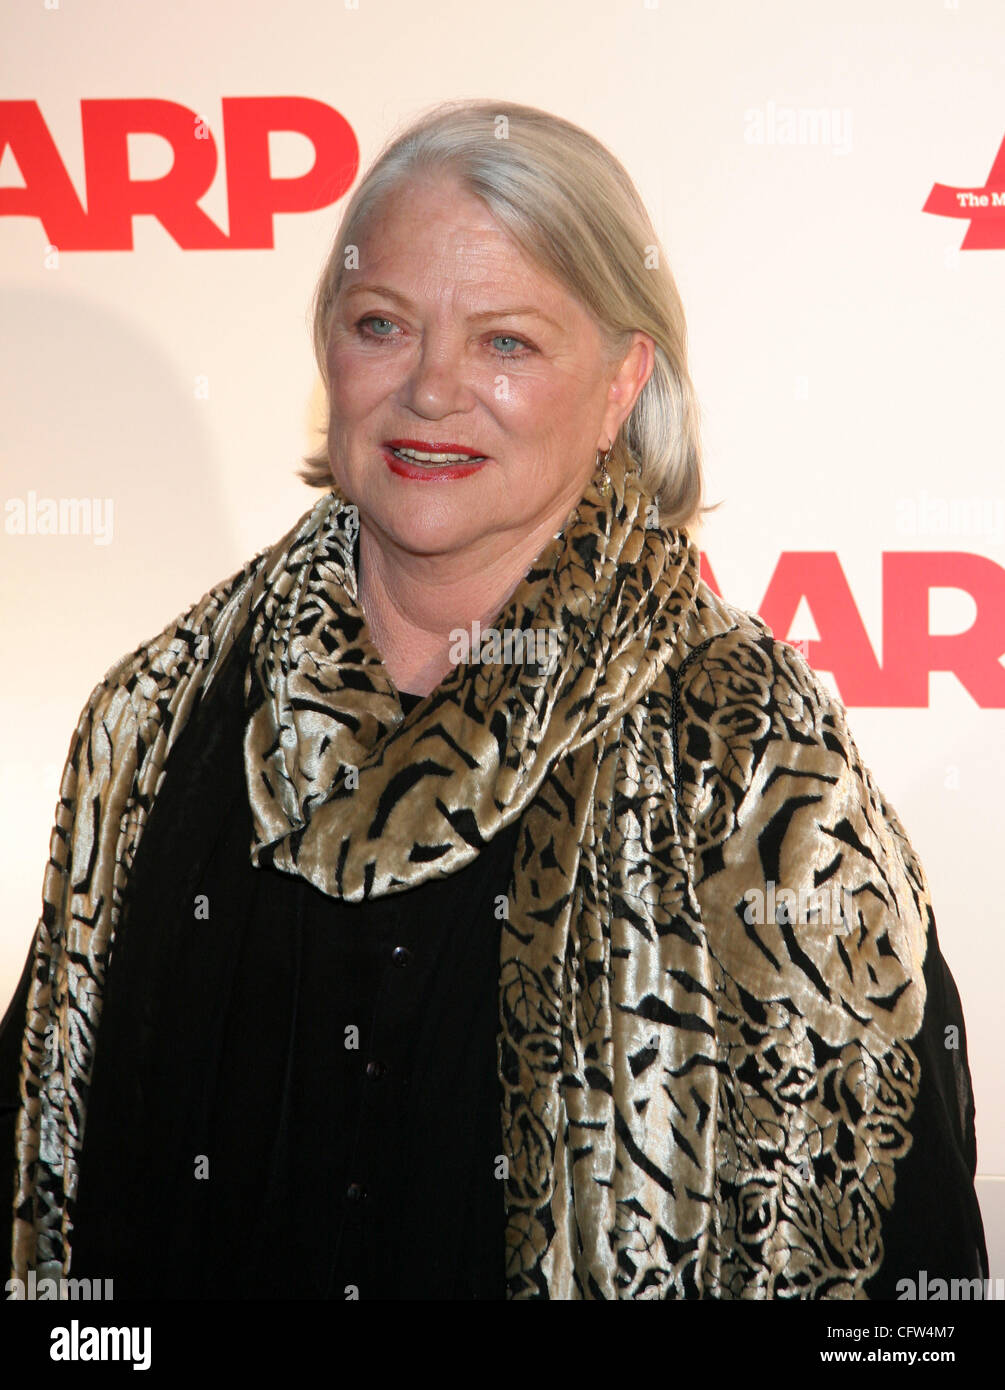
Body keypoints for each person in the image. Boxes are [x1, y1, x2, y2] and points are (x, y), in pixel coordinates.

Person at [1, 99, 987, 1301]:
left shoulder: (752, 763)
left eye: (506, 343)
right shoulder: (152, 727)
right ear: (328, 353)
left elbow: (902, 1264)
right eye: (382, 327)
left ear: (625, 381)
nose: (429, 390)